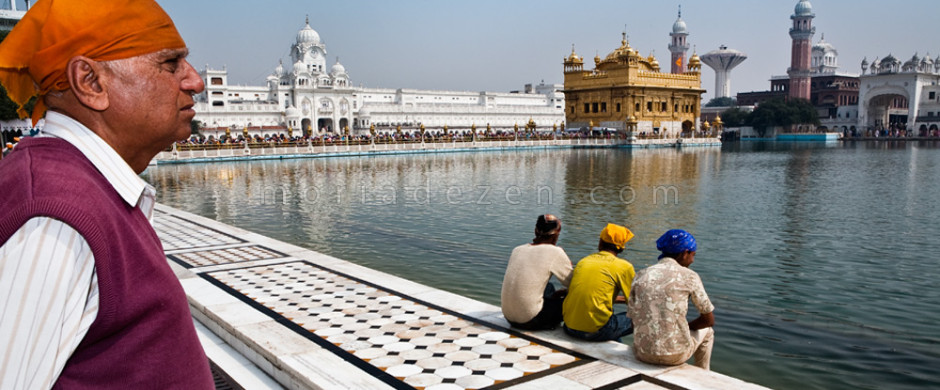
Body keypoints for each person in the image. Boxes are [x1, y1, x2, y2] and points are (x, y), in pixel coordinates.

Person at [0, 1, 213, 389]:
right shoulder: (54, 218)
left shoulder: (85, 187)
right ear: (90, 83)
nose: (195, 81)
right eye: (170, 64)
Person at [628, 229, 715, 370]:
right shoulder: (690, 276)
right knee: (708, 331)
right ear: (684, 253)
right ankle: (703, 373)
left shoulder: (641, 275)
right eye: (693, 255)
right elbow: (708, 320)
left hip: (642, 353)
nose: (692, 260)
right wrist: (685, 328)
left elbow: (633, 321)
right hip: (675, 356)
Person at [562, 223, 636, 342]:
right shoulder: (624, 267)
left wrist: (619, 299)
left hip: (569, 327)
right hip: (595, 332)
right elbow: (635, 302)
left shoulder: (584, 261)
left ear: (600, 242)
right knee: (638, 317)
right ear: (622, 247)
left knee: (612, 323)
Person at [501, 214, 573, 330]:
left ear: (535, 231)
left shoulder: (517, 249)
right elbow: (574, 283)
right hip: (530, 321)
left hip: (508, 317)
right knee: (572, 299)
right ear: (556, 235)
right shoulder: (555, 252)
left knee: (548, 287)